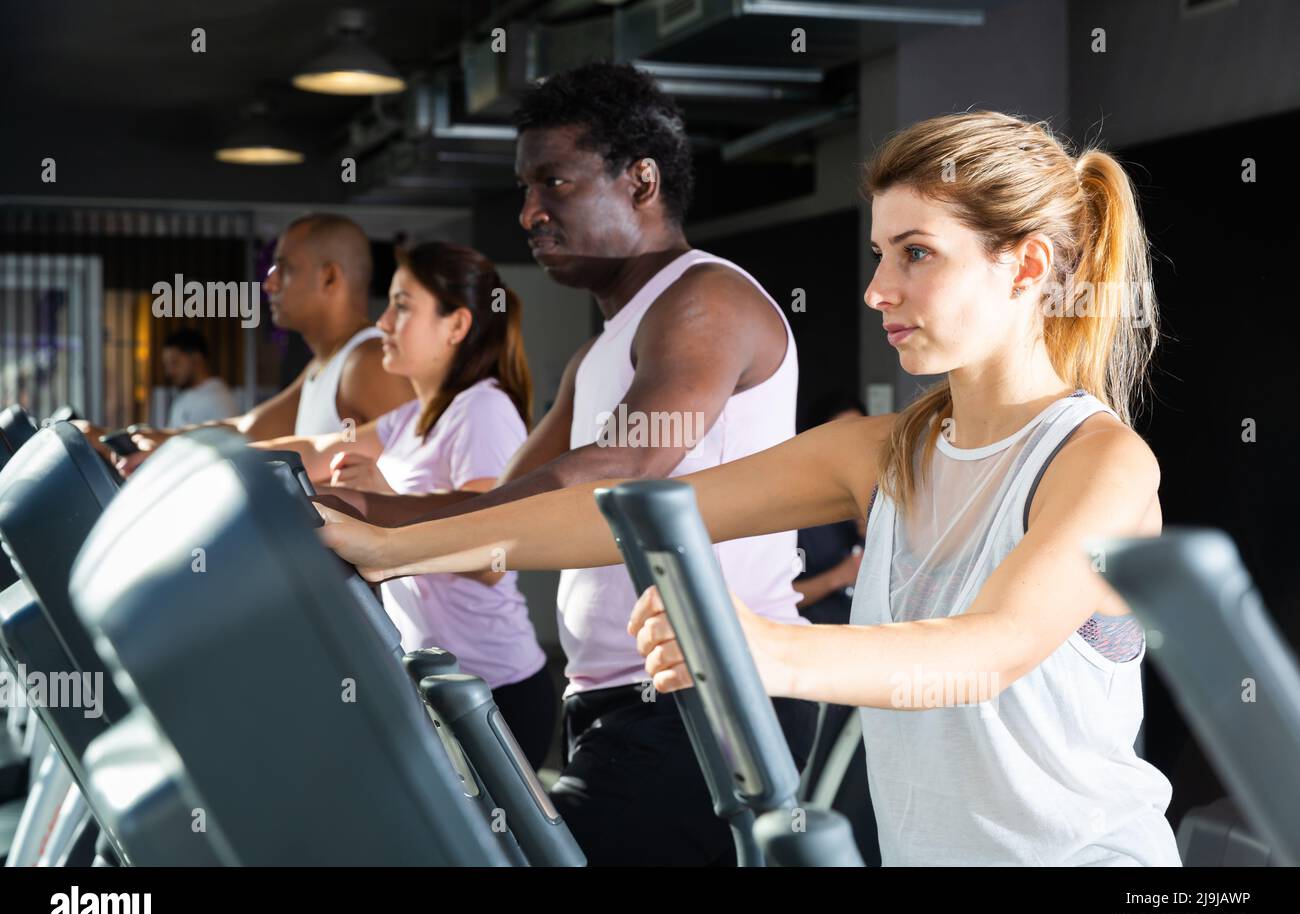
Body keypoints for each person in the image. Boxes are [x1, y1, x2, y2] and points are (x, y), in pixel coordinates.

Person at [317, 110, 1182, 867]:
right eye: (881, 252)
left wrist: (765, 650)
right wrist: (393, 549)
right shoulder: (882, 452)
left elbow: (985, 653)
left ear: (1027, 267)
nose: (879, 288)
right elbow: (621, 515)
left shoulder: (1101, 461)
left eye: (918, 253)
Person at [316, 62, 817, 867]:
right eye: (524, 188)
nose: (529, 212)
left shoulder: (707, 300)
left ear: (641, 182)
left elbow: (615, 469)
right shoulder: (597, 355)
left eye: (554, 182)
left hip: (705, 701)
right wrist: (368, 507)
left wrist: (383, 524)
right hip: (608, 699)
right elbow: (504, 510)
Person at [254, 241, 554, 769]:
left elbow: (489, 554)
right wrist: (195, 456)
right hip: (436, 684)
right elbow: (318, 450)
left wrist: (383, 501)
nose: (383, 323)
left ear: (455, 325)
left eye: (402, 306)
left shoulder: (481, 410)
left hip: (493, 692)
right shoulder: (413, 416)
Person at [76, 213, 412, 468]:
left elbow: (411, 483)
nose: (270, 284)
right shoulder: (324, 365)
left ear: (329, 277)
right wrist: (146, 439)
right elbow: (247, 430)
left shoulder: (368, 361)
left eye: (285, 269)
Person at [792, 393, 868, 625]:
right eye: (842, 435)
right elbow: (769, 600)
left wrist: (872, 535)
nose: (853, 445)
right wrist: (838, 577)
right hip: (816, 637)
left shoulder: (875, 492)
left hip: (874, 638)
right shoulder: (794, 511)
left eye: (860, 433)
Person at [159, 329, 240, 427]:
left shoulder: (219, 400)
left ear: (196, 358)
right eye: (167, 365)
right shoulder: (182, 398)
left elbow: (227, 441)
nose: (169, 372)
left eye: (174, 362)